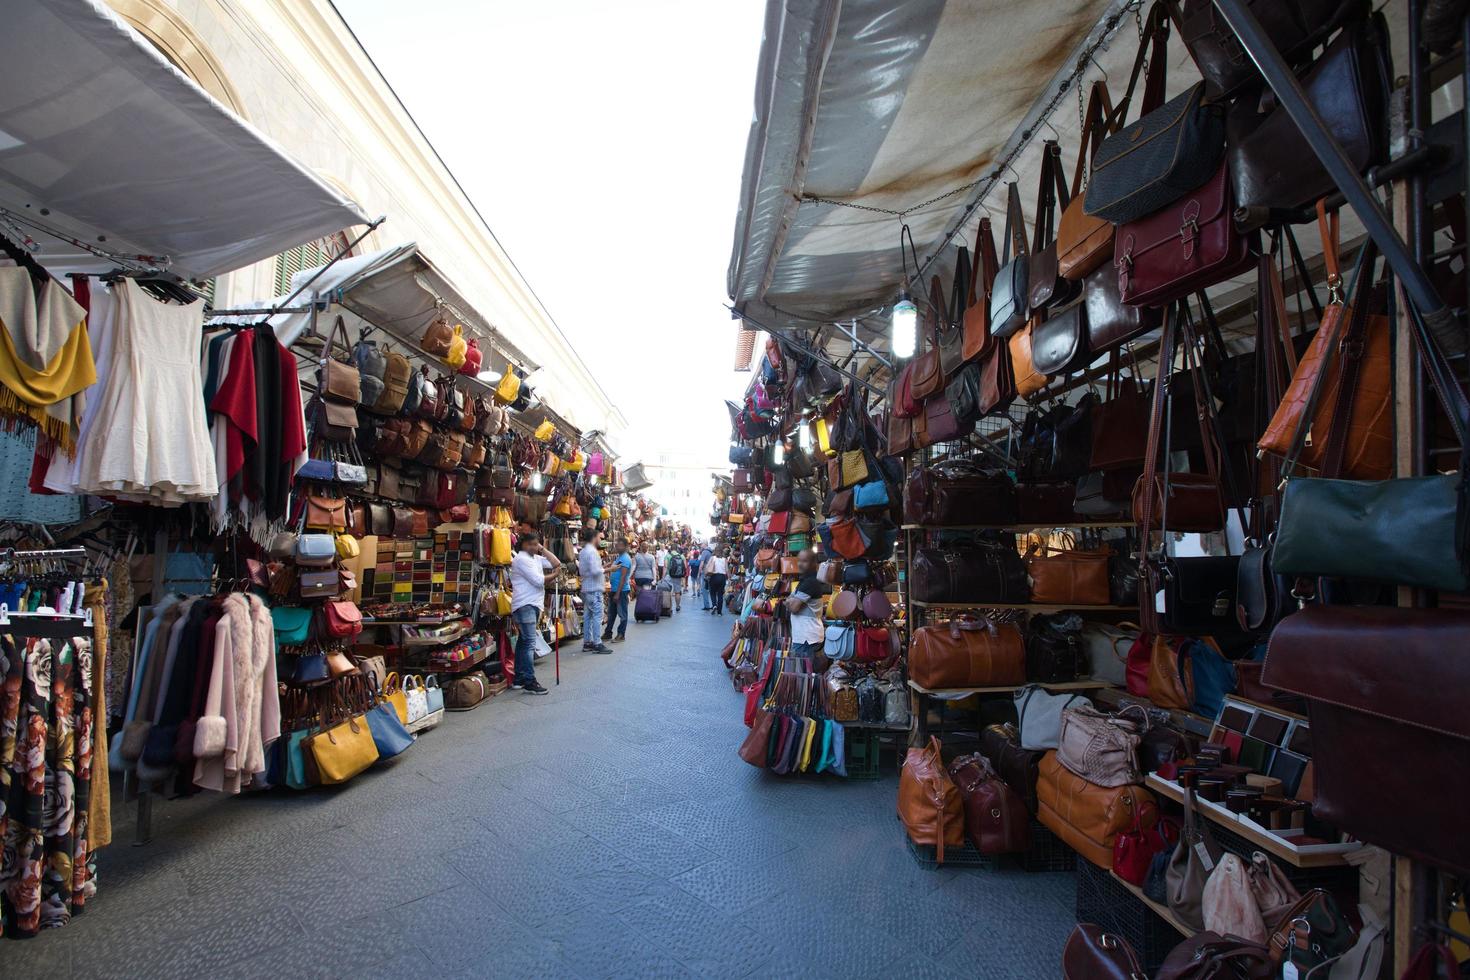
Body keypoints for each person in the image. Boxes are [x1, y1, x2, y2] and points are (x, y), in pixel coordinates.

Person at [509, 532, 561, 695]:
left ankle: (519, 679)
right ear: (522, 545)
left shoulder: (535, 558)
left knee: (524, 642)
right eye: (529, 544)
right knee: (529, 642)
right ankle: (529, 681)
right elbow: (538, 580)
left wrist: (542, 549)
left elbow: (556, 562)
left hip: (531, 605)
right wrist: (555, 575)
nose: (533, 547)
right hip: (526, 605)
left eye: (535, 544)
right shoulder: (521, 559)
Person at [784, 549, 831, 657]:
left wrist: (790, 603)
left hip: (807, 638)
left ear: (813, 563)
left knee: (804, 671)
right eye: (799, 560)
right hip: (804, 636)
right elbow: (789, 601)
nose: (800, 564)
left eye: (804, 561)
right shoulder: (805, 581)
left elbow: (794, 607)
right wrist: (790, 602)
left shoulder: (810, 583)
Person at [577, 528, 613, 654]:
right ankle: (597, 643)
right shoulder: (592, 552)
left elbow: (588, 570)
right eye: (599, 537)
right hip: (593, 589)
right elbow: (594, 571)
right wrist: (608, 569)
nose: (600, 540)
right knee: (597, 616)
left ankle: (588, 642)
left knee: (588, 616)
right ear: (594, 538)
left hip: (587, 588)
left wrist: (604, 567)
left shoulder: (583, 552)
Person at [603, 541, 634, 643]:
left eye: (619, 545)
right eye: (616, 545)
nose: (617, 547)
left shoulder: (625, 558)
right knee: (611, 614)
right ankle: (608, 633)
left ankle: (621, 635)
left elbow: (623, 577)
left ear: (625, 547)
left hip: (621, 591)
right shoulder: (619, 557)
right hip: (614, 589)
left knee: (622, 614)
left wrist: (617, 593)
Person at [705, 547, 729, 616]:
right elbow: (727, 570)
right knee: (720, 594)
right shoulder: (724, 559)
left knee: (712, 592)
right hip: (722, 577)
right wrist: (729, 577)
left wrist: (706, 574)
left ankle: (714, 605)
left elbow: (707, 567)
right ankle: (719, 612)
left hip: (714, 577)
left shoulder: (713, 558)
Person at [696, 543, 714, 609]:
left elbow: (701, 563)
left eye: (701, 544)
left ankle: (707, 605)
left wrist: (698, 573)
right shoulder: (711, 552)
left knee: (704, 589)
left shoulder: (704, 552)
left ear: (704, 545)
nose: (700, 546)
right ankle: (714, 604)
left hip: (706, 572)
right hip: (712, 572)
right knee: (711, 589)